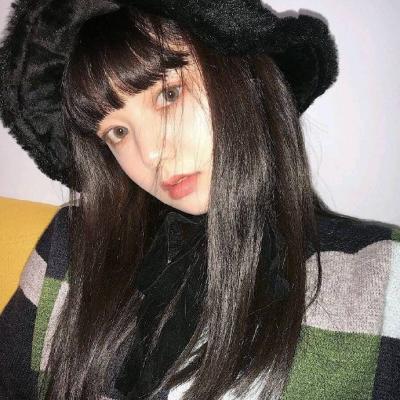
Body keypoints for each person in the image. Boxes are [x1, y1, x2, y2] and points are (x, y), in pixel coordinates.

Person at [0, 1, 399, 399]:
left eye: (168, 94)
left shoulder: (384, 274)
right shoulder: (70, 247)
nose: (149, 154)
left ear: (245, 79)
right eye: (117, 132)